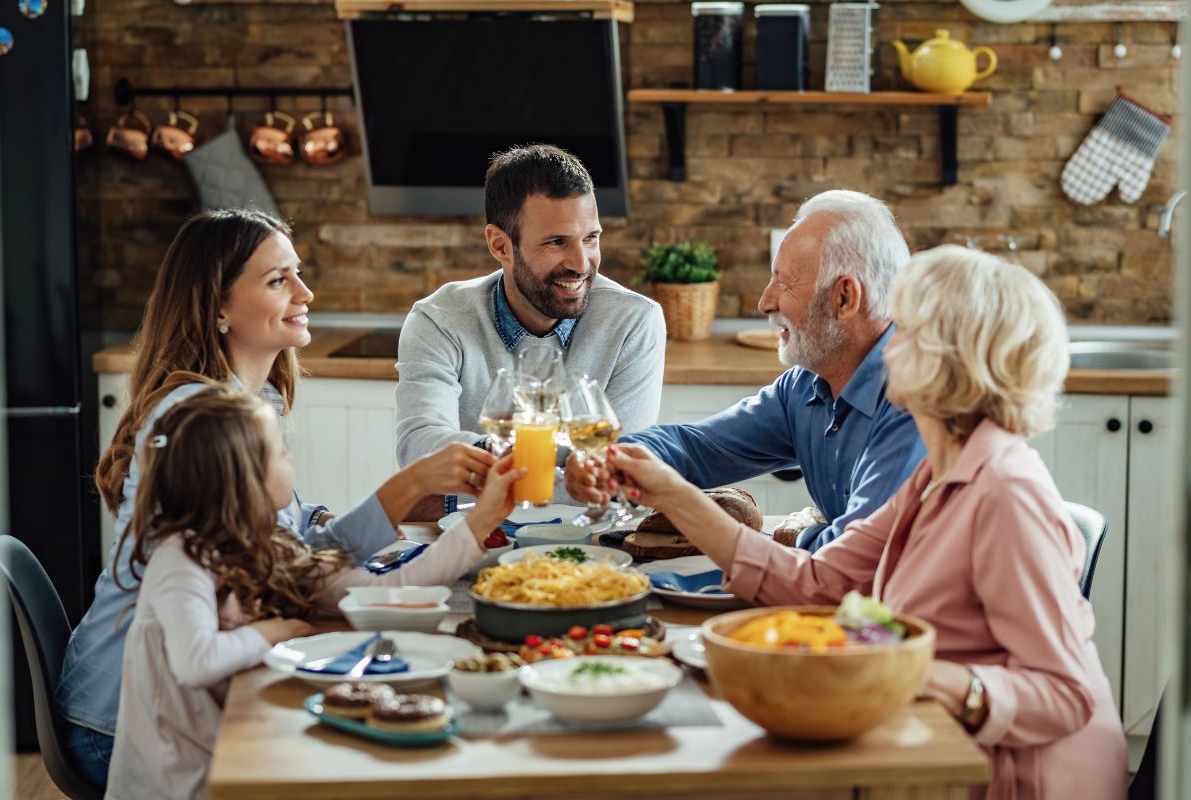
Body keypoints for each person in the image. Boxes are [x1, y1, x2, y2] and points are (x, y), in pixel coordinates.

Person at [607, 245, 1128, 798]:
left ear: (950, 358)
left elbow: (1065, 694)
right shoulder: (936, 473)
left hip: (1018, 778)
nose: (888, 343)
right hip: (934, 752)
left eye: (907, 328)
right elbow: (820, 584)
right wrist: (674, 494)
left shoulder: (1007, 494)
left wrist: (918, 673)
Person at [57, 209, 496, 789]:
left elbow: (284, 555)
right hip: (128, 723)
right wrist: (408, 489)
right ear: (217, 306)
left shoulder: (243, 402)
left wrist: (420, 495)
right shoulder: (195, 422)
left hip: (185, 701)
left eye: (298, 273)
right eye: (277, 280)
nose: (306, 293)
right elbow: (266, 573)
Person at [104, 385, 523, 800]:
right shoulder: (180, 560)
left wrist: (480, 522)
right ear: (245, 478)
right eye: (282, 453)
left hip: (228, 750)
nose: (292, 461)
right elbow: (196, 662)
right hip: (170, 777)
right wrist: (274, 632)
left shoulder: (270, 544)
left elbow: (386, 590)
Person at [568, 189, 925, 551]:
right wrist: (611, 461)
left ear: (845, 298)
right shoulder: (805, 387)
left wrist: (799, 532)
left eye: (784, 283)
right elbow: (697, 447)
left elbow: (859, 559)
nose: (765, 301)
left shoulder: (917, 399)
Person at [395, 144, 667, 514]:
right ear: (500, 245)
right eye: (556, 242)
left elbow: (619, 476)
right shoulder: (440, 320)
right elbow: (419, 447)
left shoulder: (634, 321)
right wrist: (562, 469)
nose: (581, 263)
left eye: (590, 238)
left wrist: (474, 482)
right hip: (476, 538)